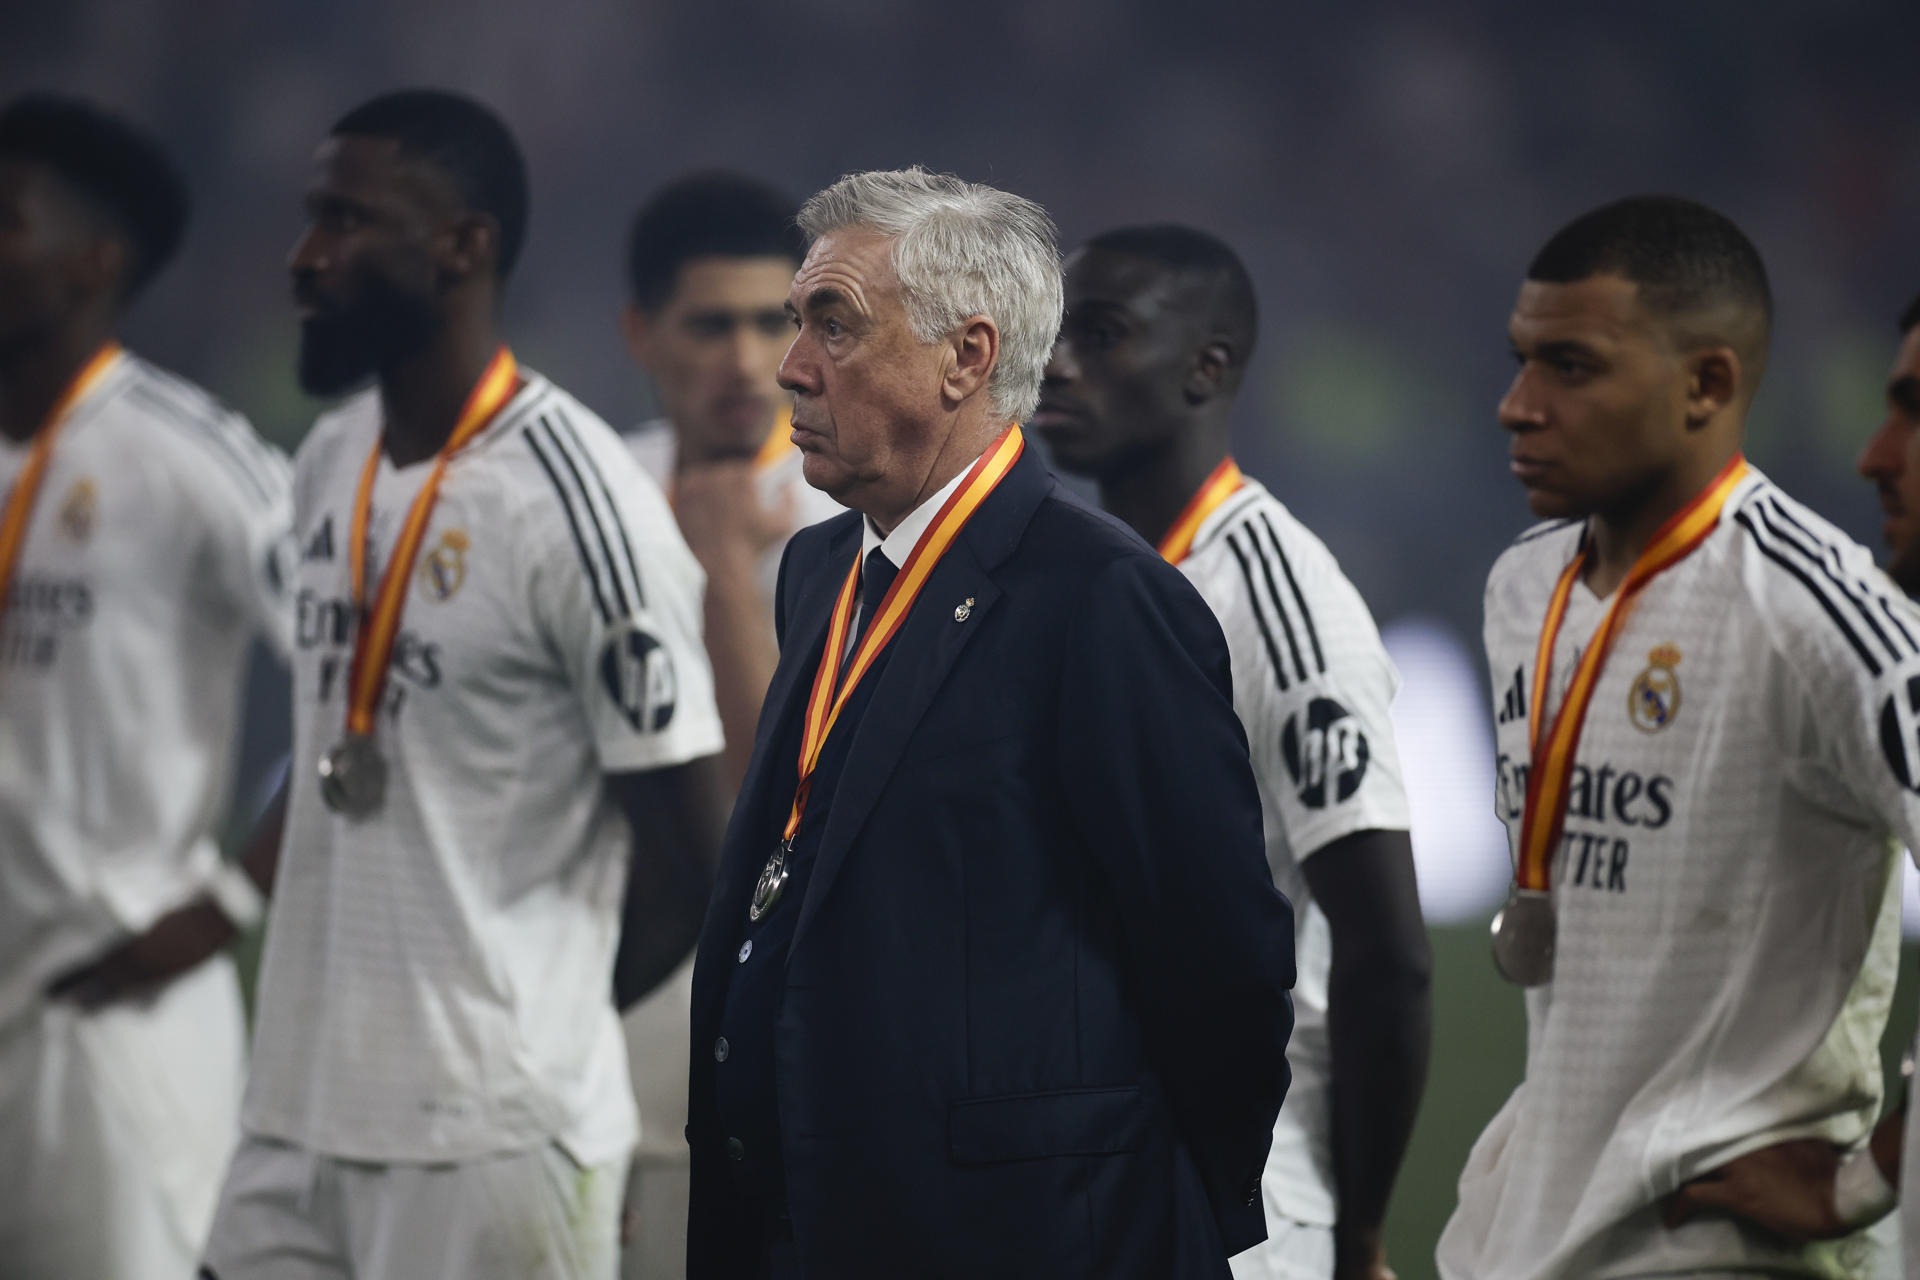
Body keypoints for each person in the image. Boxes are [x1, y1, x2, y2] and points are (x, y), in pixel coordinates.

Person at [684, 167, 1296, 1280]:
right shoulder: (820, 567)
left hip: (1023, 1237)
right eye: (797, 323)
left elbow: (1224, 968)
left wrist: (1143, 1212)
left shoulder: (1103, 598)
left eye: (835, 325)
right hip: (803, 1225)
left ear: (967, 355)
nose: (790, 368)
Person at [199, 89, 727, 1280]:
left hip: (487, 1145)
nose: (304, 256)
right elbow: (347, 726)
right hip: (291, 1116)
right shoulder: (332, 452)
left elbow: (694, 859)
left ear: (463, 245)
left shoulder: (575, 501)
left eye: (345, 222)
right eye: (309, 217)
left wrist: (528, 1041)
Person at [1439, 195, 1919, 1279]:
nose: (1518, 405)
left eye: (1572, 366)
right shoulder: (1524, 586)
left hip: (1712, 1241)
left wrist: (1865, 1174)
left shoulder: (1827, 617)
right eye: (1522, 361)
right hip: (1530, 1224)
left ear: (1707, 384)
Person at [1035, 223, 1431, 1280]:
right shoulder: (1095, 578)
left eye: (1104, 334)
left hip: (1243, 1206)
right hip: (1093, 1182)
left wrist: (1358, 1242)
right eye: (1058, 330)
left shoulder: (1275, 597)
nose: (1058, 361)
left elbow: (1387, 947)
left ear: (1208, 367)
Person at [0, 94, 293, 1279]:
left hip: (111, 1017)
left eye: (6, 219)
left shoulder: (191, 457)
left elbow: (370, 677)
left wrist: (227, 896)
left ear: (93, 260)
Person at [617, 175, 841, 1280]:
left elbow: (780, 794)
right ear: (642, 332)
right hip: (585, 983)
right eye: (712, 324)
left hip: (775, 1007)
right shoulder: (592, 492)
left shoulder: (850, 513)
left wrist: (718, 569)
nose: (748, 361)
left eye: (777, 323)